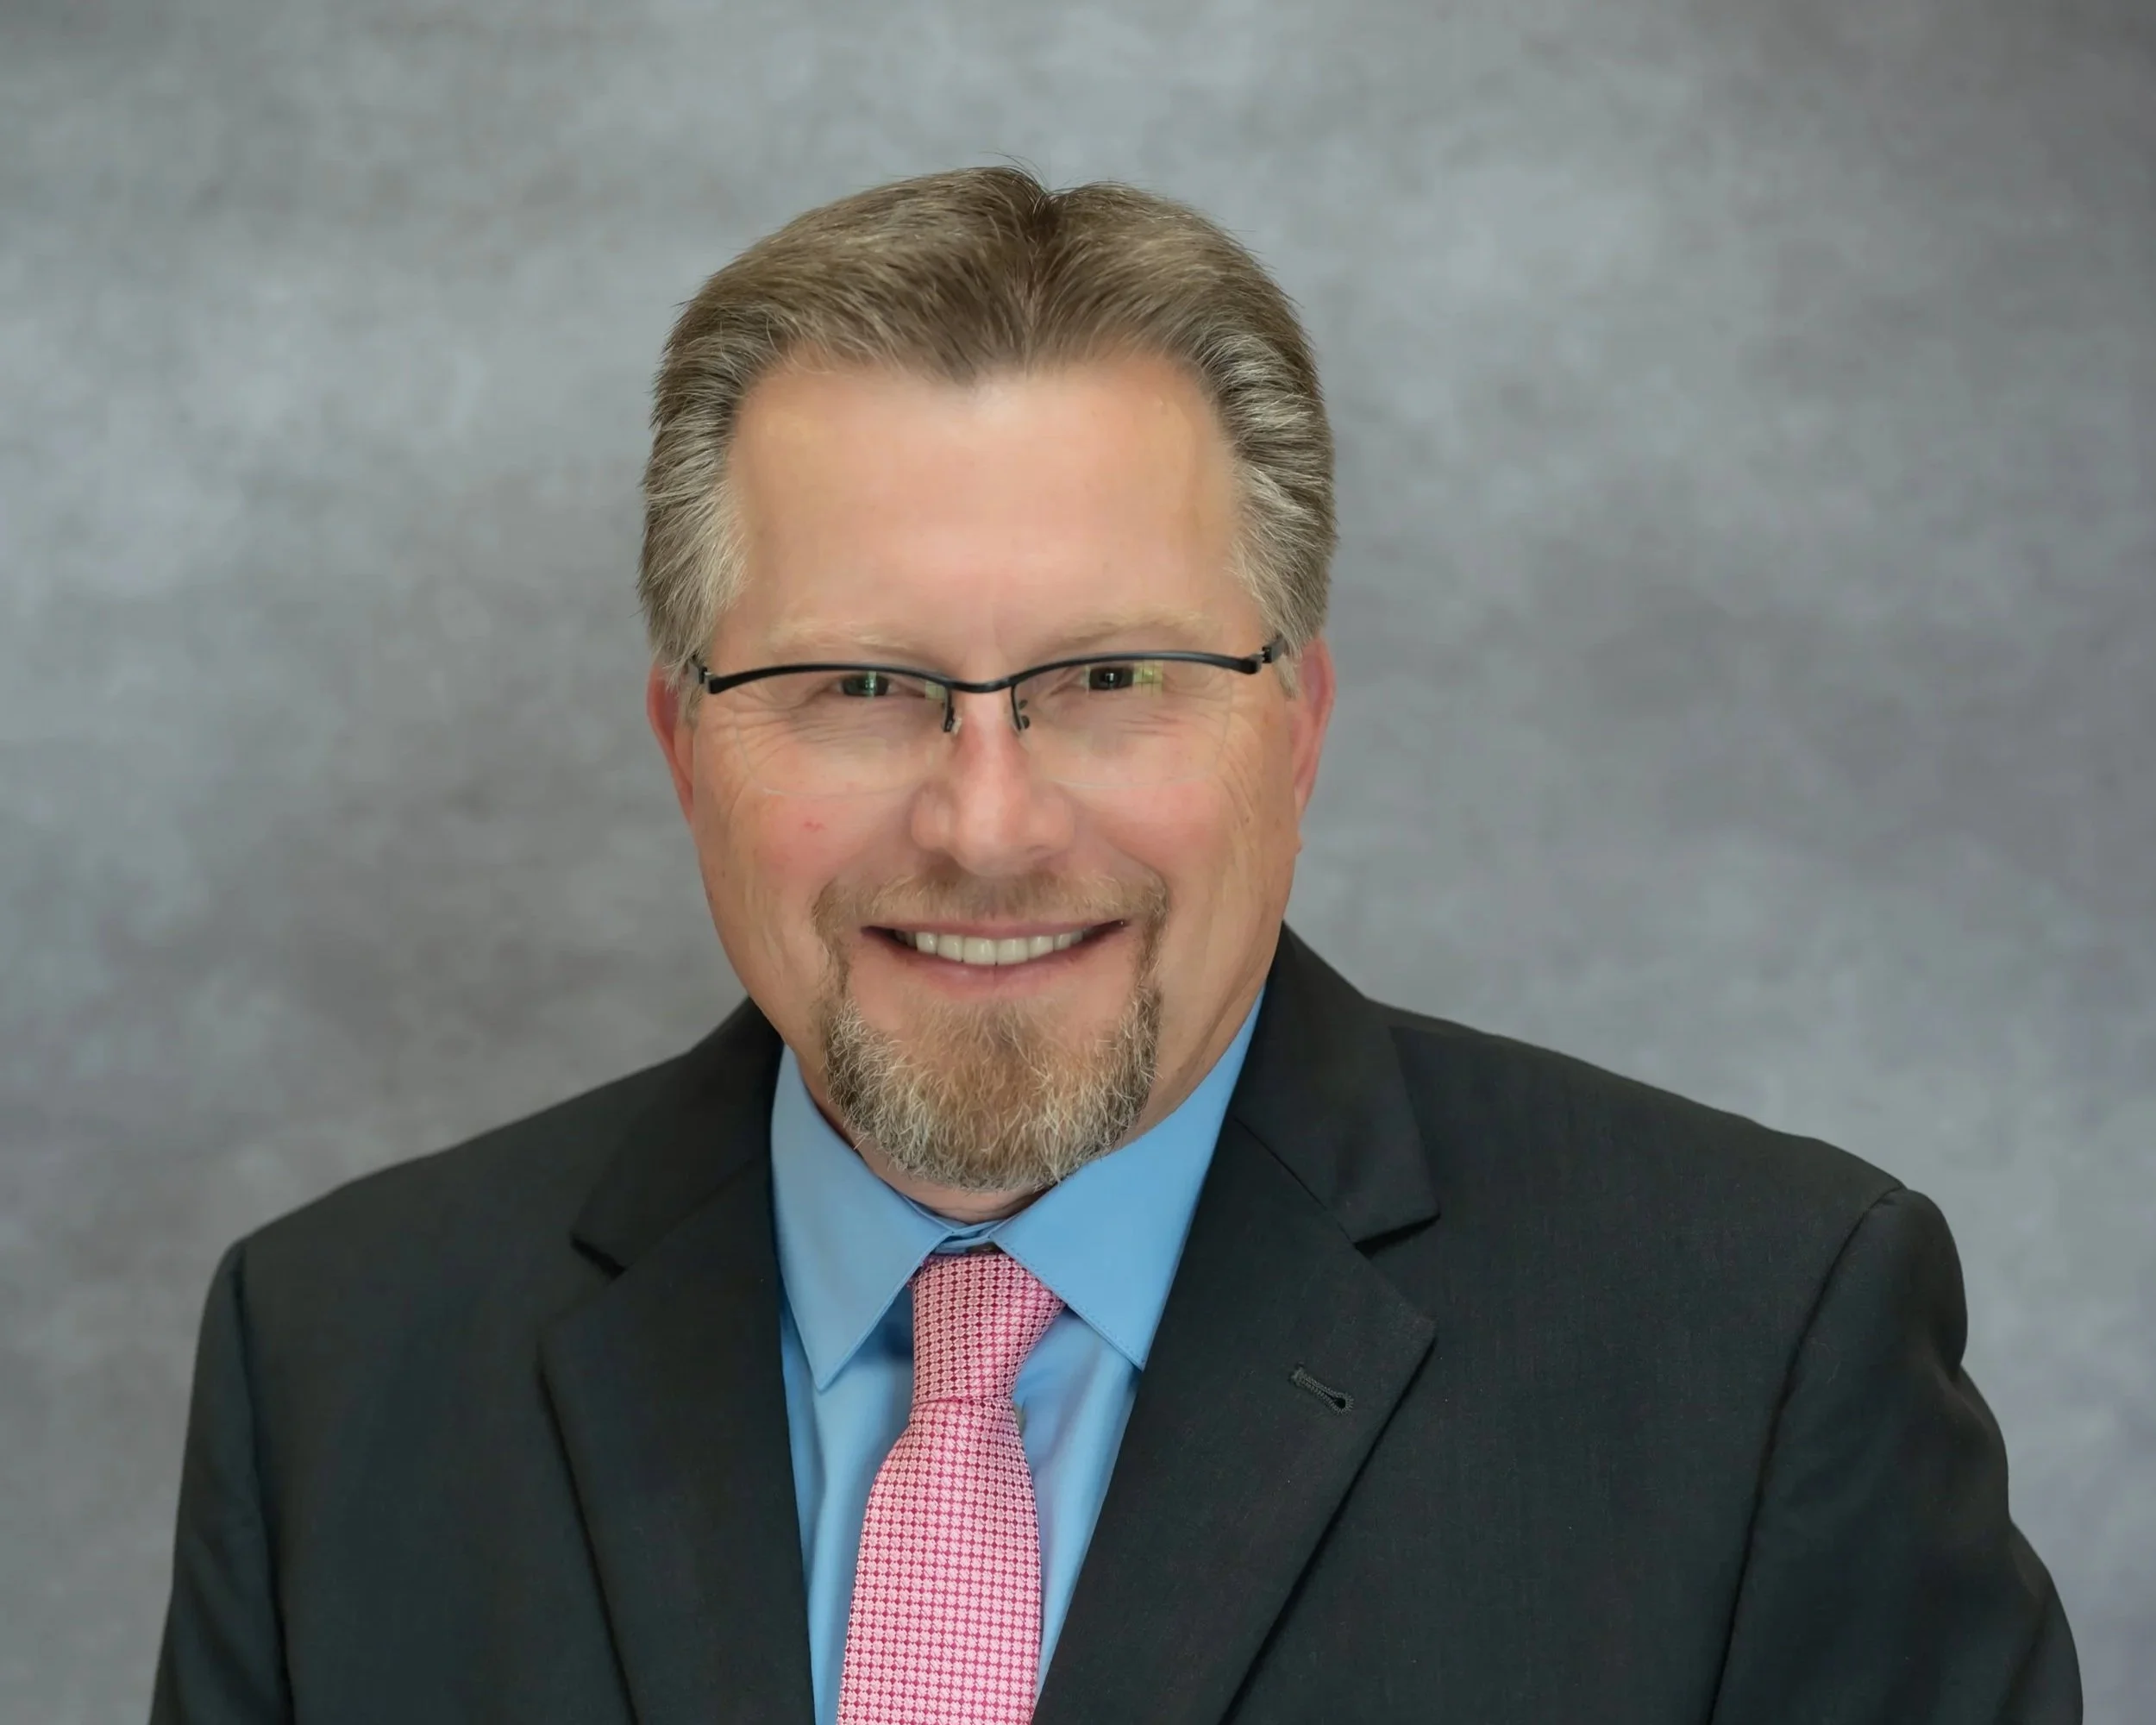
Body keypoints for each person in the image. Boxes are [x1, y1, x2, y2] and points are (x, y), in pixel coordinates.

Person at [149, 166, 2079, 1725]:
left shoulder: (1758, 1353)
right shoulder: (338, 1365)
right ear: (682, 747)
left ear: (1297, 729)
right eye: (858, 683)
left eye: (1113, 677)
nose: (985, 824)